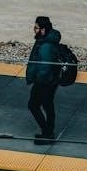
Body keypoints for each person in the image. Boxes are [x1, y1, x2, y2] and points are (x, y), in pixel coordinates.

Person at [26, 16, 61, 144]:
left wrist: (37, 79)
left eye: (36, 28)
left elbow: (45, 67)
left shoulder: (46, 45)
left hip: (44, 81)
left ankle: (47, 133)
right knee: (47, 105)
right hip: (51, 80)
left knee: (33, 105)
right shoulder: (45, 39)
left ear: (43, 30)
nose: (33, 29)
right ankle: (48, 132)